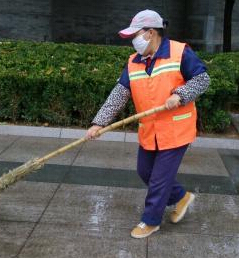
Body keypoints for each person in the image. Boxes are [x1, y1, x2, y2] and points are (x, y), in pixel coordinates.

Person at [86, 9, 210, 238]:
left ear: (151, 33)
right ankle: (181, 197)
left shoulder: (179, 52)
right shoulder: (134, 62)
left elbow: (202, 79)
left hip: (176, 130)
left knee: (159, 179)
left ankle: (151, 221)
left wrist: (180, 95)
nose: (133, 41)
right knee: (145, 172)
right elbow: (119, 94)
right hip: (150, 130)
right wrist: (98, 123)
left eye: (136, 35)